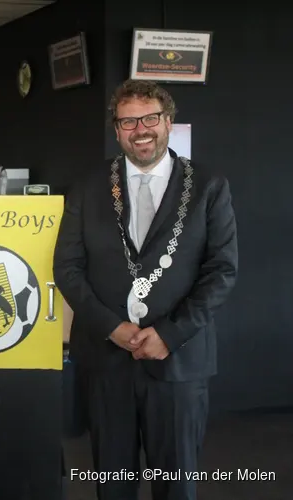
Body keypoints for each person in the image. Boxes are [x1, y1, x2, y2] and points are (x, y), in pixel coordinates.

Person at [53, 80, 238, 500]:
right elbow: (67, 268)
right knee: (112, 484)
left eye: (150, 118)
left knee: (176, 484)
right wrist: (111, 328)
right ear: (116, 130)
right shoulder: (86, 186)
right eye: (128, 121)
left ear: (168, 122)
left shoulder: (208, 186)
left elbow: (222, 271)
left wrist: (169, 334)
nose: (141, 129)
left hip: (179, 361)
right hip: (105, 361)